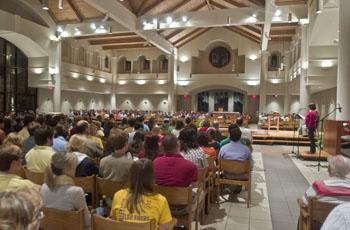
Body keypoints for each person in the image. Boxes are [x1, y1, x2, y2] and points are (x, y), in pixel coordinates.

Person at [111, 159, 174, 230]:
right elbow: (165, 228)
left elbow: (114, 222)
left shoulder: (118, 195)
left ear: (131, 175)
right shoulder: (161, 201)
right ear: (152, 177)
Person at [40, 151, 91, 230]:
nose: (76, 170)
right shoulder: (76, 191)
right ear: (67, 169)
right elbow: (87, 221)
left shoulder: (44, 187)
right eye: (74, 167)